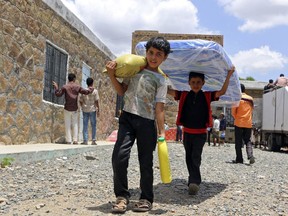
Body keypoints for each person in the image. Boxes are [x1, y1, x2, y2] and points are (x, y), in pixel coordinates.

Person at [105, 37, 171, 213]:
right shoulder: (134, 70)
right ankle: (121, 197)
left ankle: (146, 198)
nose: (153, 57)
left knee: (145, 161)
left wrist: (162, 132)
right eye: (151, 52)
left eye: (159, 54)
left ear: (164, 57)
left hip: (147, 122)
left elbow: (160, 107)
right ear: (146, 52)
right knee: (119, 156)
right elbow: (121, 91)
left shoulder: (162, 80)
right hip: (127, 118)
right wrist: (112, 75)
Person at [168, 67, 235, 195]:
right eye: (193, 82)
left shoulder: (207, 95)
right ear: (188, 83)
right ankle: (191, 179)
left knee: (195, 156)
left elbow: (222, 91)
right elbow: (168, 91)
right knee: (188, 157)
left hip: (200, 133)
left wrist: (229, 75)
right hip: (187, 132)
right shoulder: (183, 94)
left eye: (198, 82)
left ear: (203, 83)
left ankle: (195, 181)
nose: (195, 85)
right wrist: (165, 75)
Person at [52, 73, 94, 144]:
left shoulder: (65, 87)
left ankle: (68, 140)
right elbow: (86, 92)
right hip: (74, 108)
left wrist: (56, 87)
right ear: (74, 79)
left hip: (67, 108)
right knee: (75, 124)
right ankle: (75, 140)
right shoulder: (77, 87)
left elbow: (58, 94)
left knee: (67, 124)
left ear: (68, 79)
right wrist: (91, 89)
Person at [231, 83, 255, 164]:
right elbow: (251, 110)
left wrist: (237, 118)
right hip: (248, 123)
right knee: (248, 140)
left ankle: (239, 159)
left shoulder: (237, 98)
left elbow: (233, 112)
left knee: (238, 142)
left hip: (239, 123)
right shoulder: (250, 99)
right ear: (245, 90)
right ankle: (250, 155)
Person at [79, 77, 100, 145]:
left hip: (85, 109)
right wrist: (98, 109)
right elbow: (96, 101)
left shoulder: (83, 90)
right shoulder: (95, 91)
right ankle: (93, 140)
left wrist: (82, 106)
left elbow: (80, 100)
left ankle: (85, 140)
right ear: (92, 83)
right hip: (92, 109)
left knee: (85, 125)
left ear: (86, 83)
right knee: (93, 125)